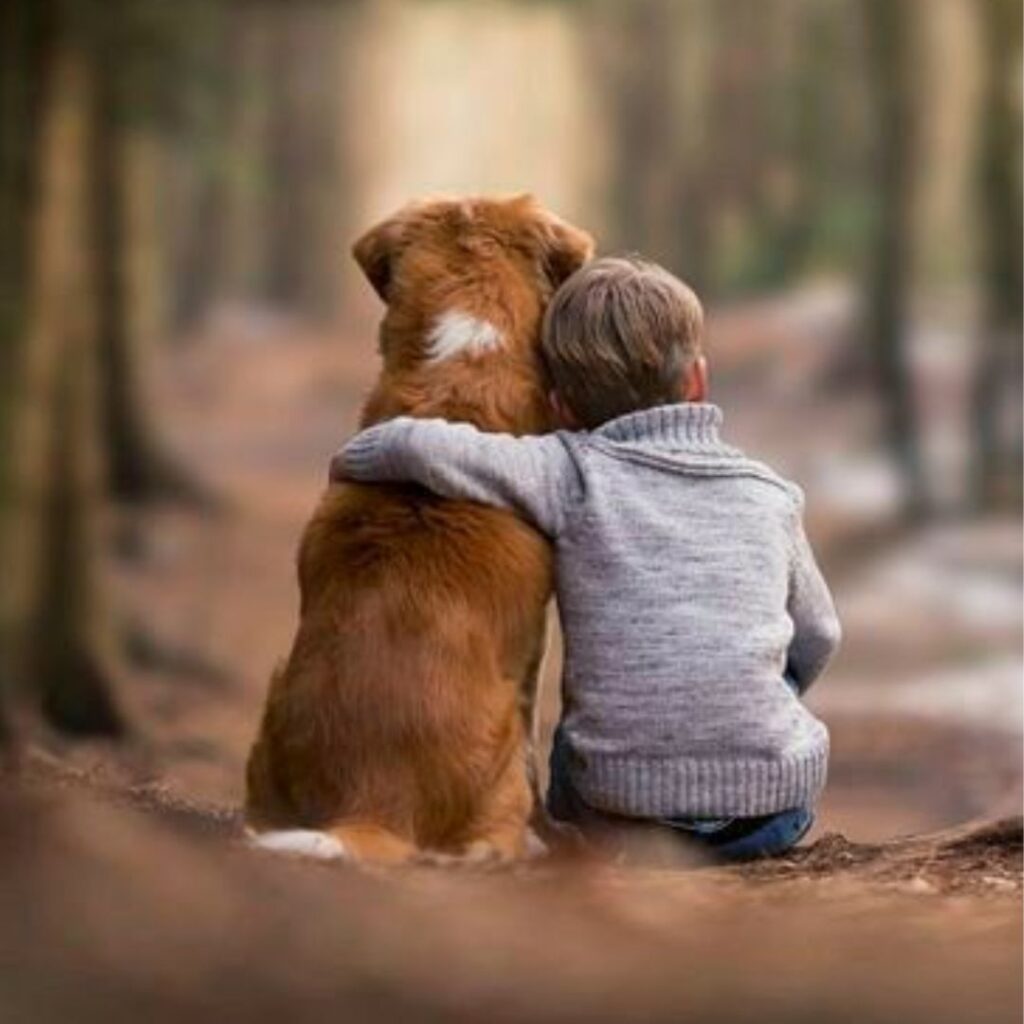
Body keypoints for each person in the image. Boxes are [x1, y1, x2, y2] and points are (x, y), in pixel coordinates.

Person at [331, 255, 841, 862]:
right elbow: (820, 633)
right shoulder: (771, 494)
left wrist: (353, 457)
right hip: (767, 813)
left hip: (616, 804)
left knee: (591, 734)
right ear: (697, 380)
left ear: (562, 408)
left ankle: (624, 832)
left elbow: (428, 448)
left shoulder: (569, 471)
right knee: (768, 663)